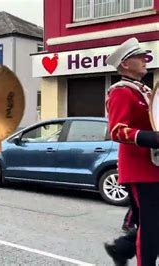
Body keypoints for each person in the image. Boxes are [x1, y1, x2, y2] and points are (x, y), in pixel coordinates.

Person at [105, 37, 159, 266]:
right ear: (125, 64)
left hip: (153, 166)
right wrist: (152, 138)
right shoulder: (121, 92)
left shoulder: (144, 90)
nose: (145, 59)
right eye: (139, 57)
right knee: (150, 229)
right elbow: (117, 131)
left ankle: (122, 249)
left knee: (152, 224)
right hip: (139, 170)